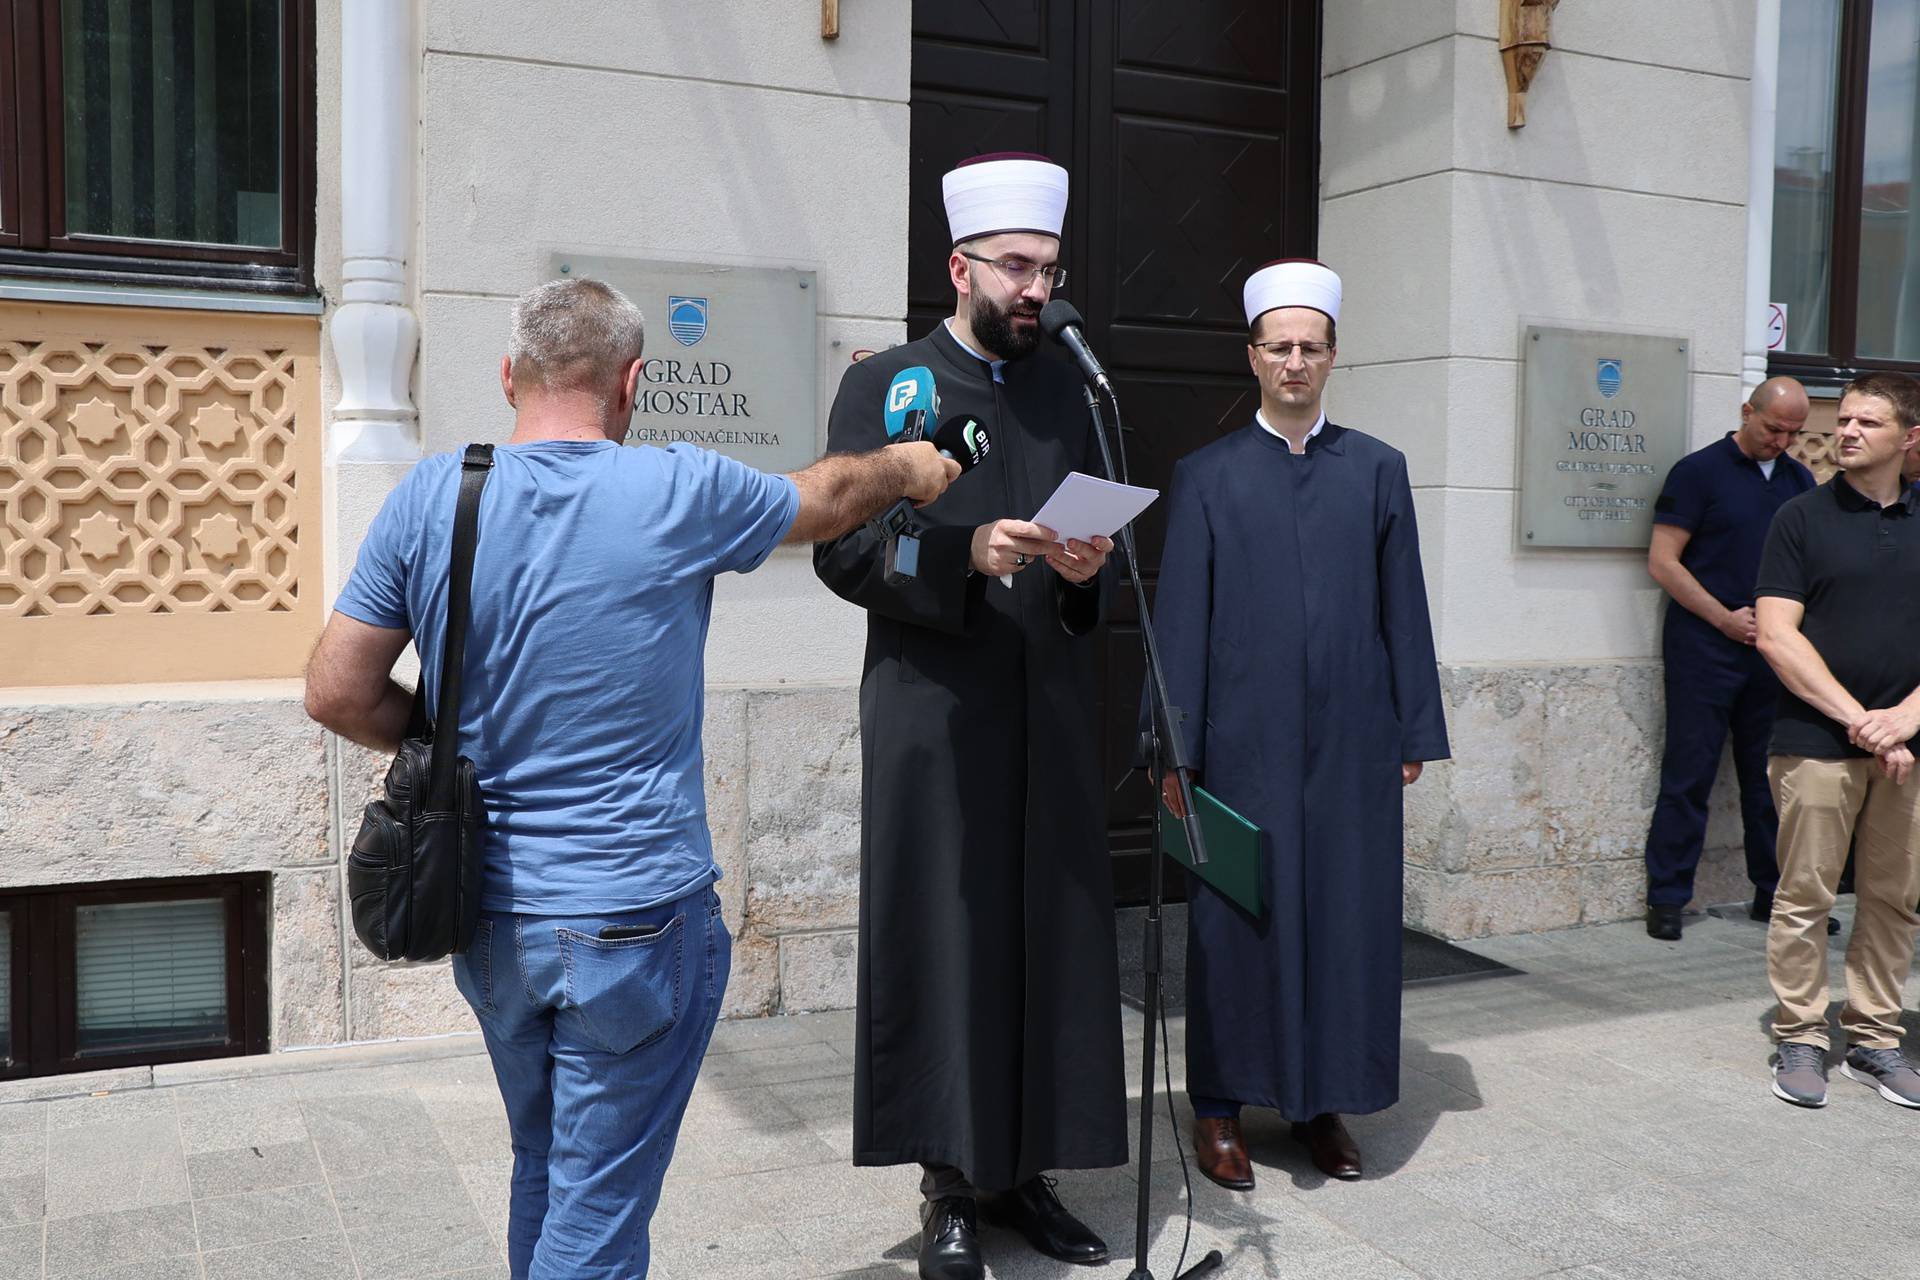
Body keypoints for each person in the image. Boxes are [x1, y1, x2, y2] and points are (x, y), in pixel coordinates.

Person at [303, 278, 957, 1280]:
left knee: (550, 1166)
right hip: (634, 917)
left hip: (488, 912)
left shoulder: (435, 493)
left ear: (509, 372)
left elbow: (337, 691)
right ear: (633, 383)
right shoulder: (674, 488)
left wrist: (443, 746)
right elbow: (826, 499)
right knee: (598, 1213)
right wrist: (907, 464)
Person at [812, 153, 1124, 1280]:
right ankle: (950, 1176)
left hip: (1043, 706)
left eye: (1049, 267)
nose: (1038, 287)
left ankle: (1027, 1168)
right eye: (1017, 267)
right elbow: (846, 548)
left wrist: (1084, 567)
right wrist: (965, 549)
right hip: (933, 710)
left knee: (1044, 933)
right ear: (960, 267)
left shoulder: (1072, 388)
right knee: (948, 939)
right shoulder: (887, 386)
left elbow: (1091, 552)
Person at [1151, 260, 1449, 1189]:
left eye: (1309, 347)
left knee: (1343, 919)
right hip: (1240, 747)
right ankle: (1219, 1111)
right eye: (1277, 347)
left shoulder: (1377, 470)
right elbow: (1180, 623)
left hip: (1352, 745)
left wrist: (1412, 731)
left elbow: (1406, 609)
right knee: (1237, 919)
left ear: (1332, 357)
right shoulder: (1206, 476)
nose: (1293, 362)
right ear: (1253, 358)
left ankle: (1322, 1106)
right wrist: (1173, 747)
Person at [1754, 371, 1920, 1111]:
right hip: (1816, 741)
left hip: (1909, 750)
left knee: (1895, 899)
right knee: (1804, 895)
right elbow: (1778, 637)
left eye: (1868, 423)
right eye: (1844, 419)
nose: (1847, 431)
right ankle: (1801, 1036)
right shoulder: (1800, 518)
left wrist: (1909, 718)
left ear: (1908, 439)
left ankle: (1876, 1039)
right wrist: (1864, 719)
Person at [1641, 378, 1817, 941]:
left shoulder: (1799, 480)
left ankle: (1774, 895)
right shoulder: (1698, 472)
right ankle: (1668, 897)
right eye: (1773, 429)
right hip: (1704, 648)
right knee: (1688, 773)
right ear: (1748, 412)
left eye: (1793, 433)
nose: (1781, 442)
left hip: (1774, 652)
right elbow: (1664, 562)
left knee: (1769, 780)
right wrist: (1722, 617)